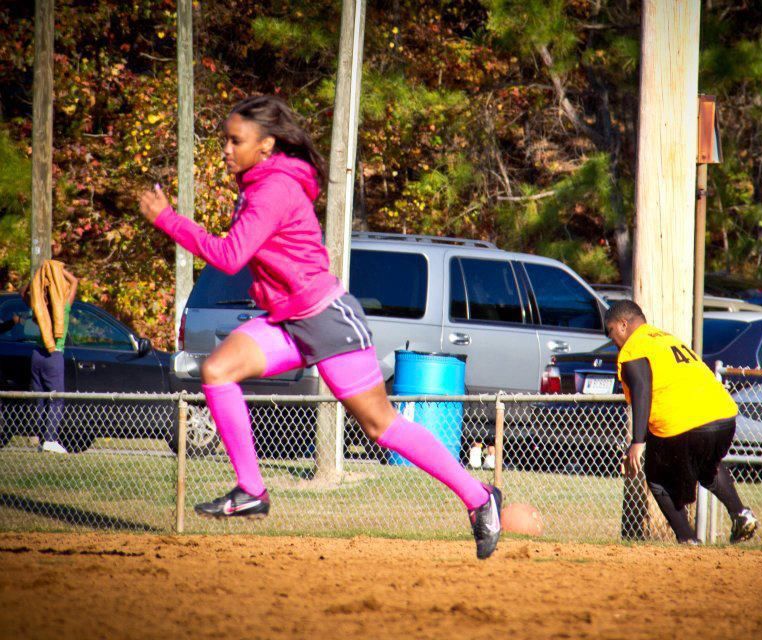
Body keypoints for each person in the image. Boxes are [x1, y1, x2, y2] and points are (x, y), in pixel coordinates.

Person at [138, 95, 502, 559]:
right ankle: (251, 489)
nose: (226, 149)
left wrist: (168, 220)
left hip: (326, 320)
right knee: (217, 370)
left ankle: (479, 497)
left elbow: (230, 257)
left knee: (380, 425)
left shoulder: (273, 189)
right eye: (225, 140)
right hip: (288, 320)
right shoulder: (257, 183)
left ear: (266, 145)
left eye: (236, 141)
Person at [604, 300, 758, 544]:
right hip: (723, 416)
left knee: (657, 480)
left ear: (623, 324)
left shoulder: (634, 347)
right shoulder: (666, 339)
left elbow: (642, 388)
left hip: (685, 422)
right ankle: (741, 514)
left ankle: (688, 540)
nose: (610, 337)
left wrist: (637, 441)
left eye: (610, 330)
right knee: (707, 468)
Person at [23, 266, 79, 453]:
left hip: (37, 354)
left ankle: (41, 438)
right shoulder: (62, 307)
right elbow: (75, 282)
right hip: (53, 355)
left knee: (39, 398)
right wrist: (56, 269)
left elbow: (23, 292)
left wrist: (41, 272)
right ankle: (50, 439)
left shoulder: (40, 307)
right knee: (56, 398)